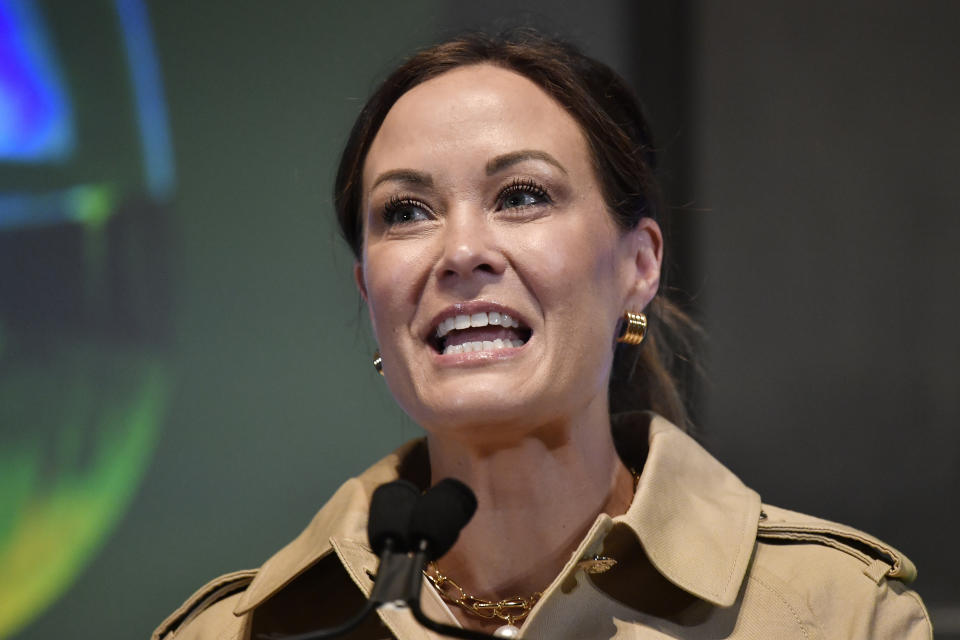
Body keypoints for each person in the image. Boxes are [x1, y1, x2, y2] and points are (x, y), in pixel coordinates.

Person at [154, 30, 932, 640]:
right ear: (370, 290)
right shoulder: (238, 632)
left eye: (522, 195)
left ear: (638, 263)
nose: (460, 252)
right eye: (405, 211)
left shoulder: (838, 616)